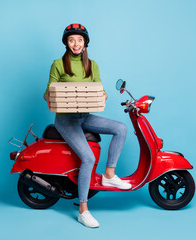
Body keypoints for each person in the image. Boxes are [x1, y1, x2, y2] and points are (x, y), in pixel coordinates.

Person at [43, 23, 131, 228]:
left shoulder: (92, 65)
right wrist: (50, 95)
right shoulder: (58, 64)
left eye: (79, 40)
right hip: (65, 119)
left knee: (121, 128)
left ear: (85, 43)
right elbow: (48, 90)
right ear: (66, 42)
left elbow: (99, 89)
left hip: (85, 116)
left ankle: (109, 174)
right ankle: (83, 209)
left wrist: (103, 95)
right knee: (88, 158)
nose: (76, 44)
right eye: (72, 40)